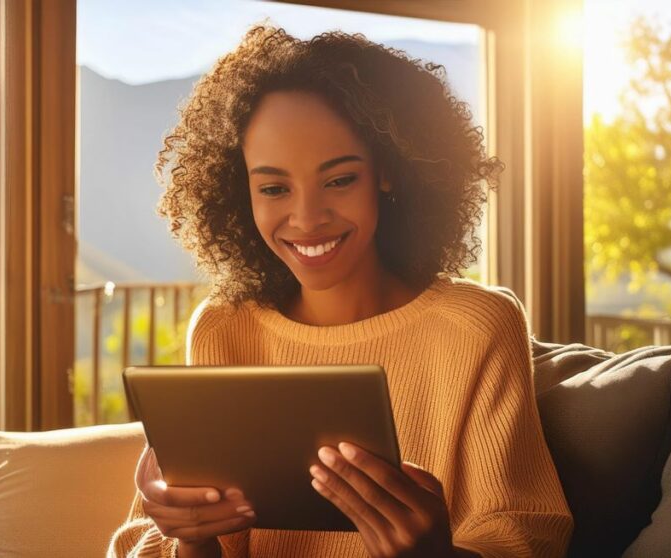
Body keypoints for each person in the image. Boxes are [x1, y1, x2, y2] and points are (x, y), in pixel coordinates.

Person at [107, 24, 573, 558]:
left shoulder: (477, 327)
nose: (307, 219)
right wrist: (192, 537)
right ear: (242, 194)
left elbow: (527, 538)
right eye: (274, 188)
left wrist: (435, 554)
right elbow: (146, 545)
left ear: (388, 173)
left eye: (339, 179)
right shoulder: (225, 327)